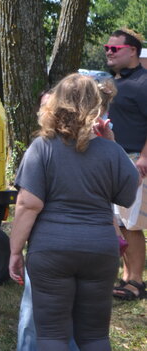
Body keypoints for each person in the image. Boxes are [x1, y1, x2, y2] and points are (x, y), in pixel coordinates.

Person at [9, 73, 139, 350]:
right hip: (100, 249)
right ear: (96, 106)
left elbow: (28, 204)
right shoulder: (110, 151)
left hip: (51, 249)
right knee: (95, 336)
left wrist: (14, 251)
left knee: (52, 335)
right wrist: (112, 143)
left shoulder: (42, 147)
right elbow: (128, 194)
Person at [105, 28, 147, 301]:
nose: (109, 52)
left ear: (132, 50)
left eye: (115, 49)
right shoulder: (113, 81)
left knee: (132, 225)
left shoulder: (144, 82)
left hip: (135, 161)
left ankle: (136, 281)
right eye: (107, 49)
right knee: (118, 222)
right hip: (113, 161)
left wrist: (144, 157)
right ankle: (125, 276)